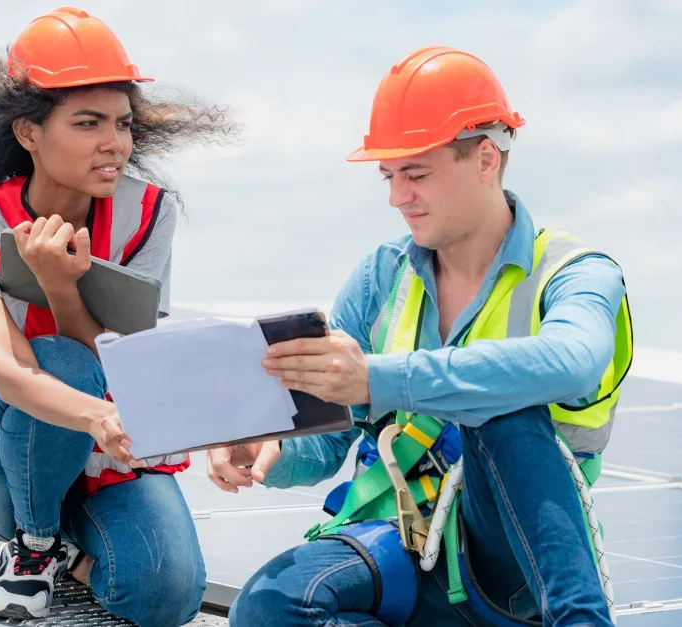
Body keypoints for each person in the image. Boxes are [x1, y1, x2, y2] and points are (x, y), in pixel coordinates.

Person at [209, 46, 632, 627]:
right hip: (398, 543)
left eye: (416, 173)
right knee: (268, 609)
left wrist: (379, 379)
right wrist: (273, 449)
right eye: (389, 176)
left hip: (512, 569)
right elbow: (329, 440)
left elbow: (574, 361)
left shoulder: (575, 273)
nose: (396, 196)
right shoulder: (381, 275)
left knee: (500, 409)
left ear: (486, 159)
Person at [0, 8, 238, 625]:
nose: (114, 143)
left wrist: (62, 290)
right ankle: (34, 548)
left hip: (98, 449)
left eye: (122, 123)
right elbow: (6, 370)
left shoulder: (147, 214)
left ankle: (72, 551)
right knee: (59, 363)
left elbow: (126, 357)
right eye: (87, 123)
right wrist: (102, 415)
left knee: (166, 599)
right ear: (29, 133)